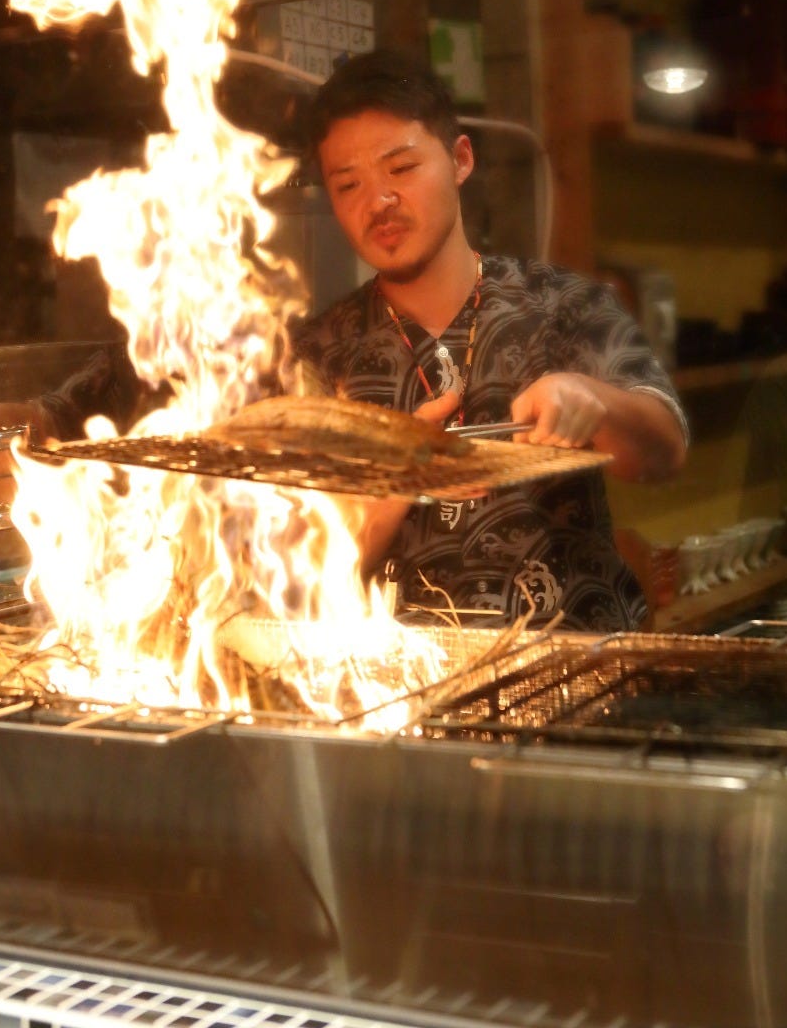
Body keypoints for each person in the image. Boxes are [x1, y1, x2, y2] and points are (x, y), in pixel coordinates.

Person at [292, 48, 689, 631]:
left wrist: (592, 398)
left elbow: (663, 454)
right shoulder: (321, 353)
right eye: (348, 185)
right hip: (404, 693)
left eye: (401, 169)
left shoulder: (562, 304)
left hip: (577, 673)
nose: (378, 202)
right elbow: (298, 574)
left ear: (460, 159)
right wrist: (398, 483)